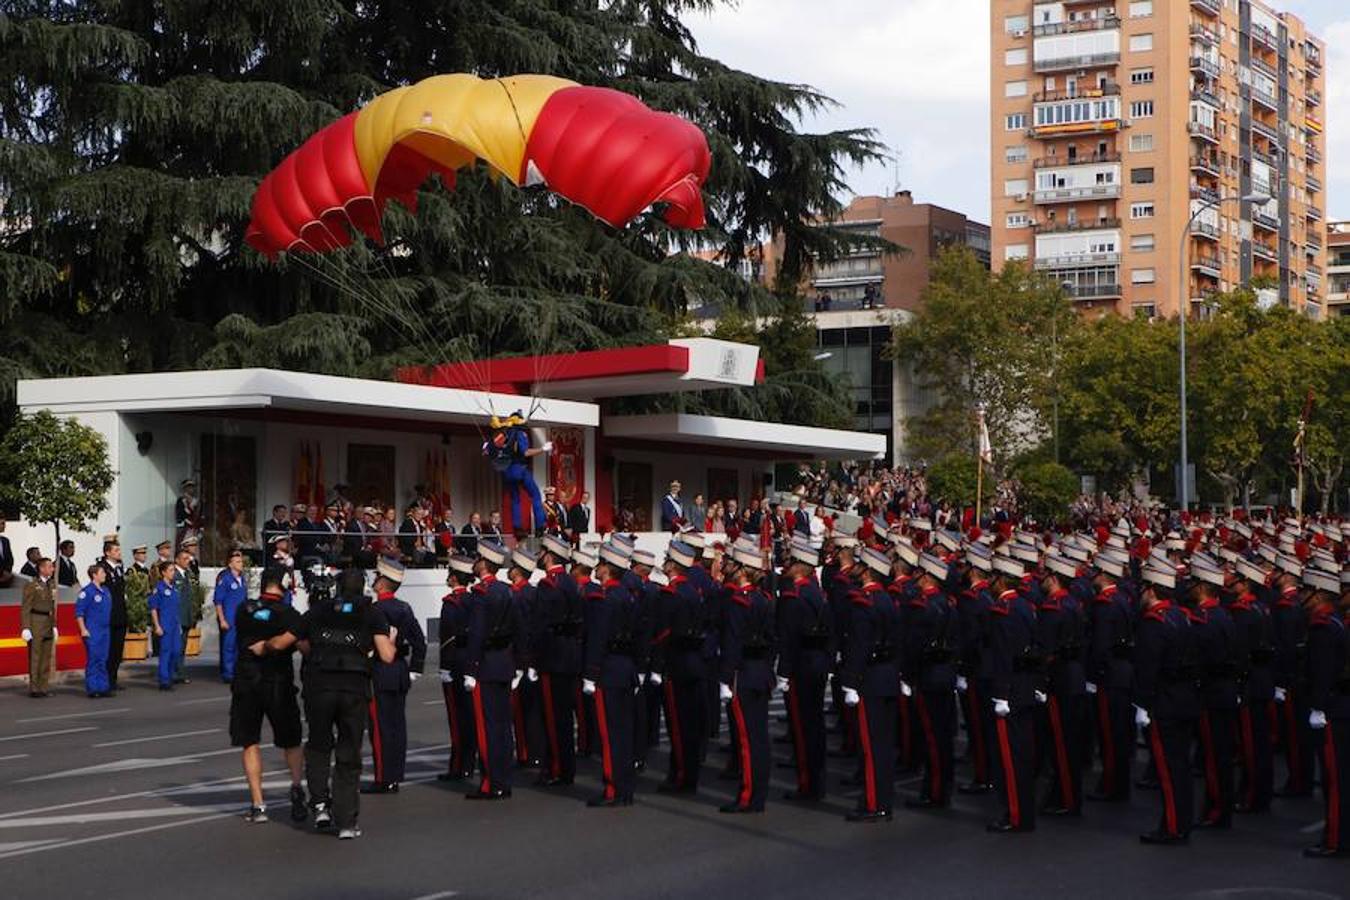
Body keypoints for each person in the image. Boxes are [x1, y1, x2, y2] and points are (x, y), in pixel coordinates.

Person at [270, 569, 396, 839]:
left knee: (318, 747)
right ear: (363, 589)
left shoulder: (318, 610)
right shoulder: (371, 613)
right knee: (349, 753)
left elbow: (286, 642)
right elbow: (386, 655)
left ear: (337, 588)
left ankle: (320, 806)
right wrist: (392, 640)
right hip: (354, 689)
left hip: (320, 687)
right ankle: (347, 821)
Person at [232, 573, 307, 825]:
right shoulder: (288, 615)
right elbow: (304, 644)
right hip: (277, 682)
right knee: (291, 740)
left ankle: (258, 803)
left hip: (247, 682)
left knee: (249, 741)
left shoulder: (245, 609)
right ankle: (297, 786)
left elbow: (247, 637)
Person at [1133, 565, 1200, 846]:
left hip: (1164, 701)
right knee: (1181, 766)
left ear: (1150, 590)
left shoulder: (1154, 623)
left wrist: (1142, 704)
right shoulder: (1182, 617)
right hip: (1185, 698)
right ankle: (1182, 821)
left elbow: (1148, 667)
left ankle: (1173, 826)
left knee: (1168, 770)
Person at [840, 546, 901, 823]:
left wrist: (850, 681)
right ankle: (884, 800)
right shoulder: (887, 600)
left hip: (871, 679)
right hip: (888, 676)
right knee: (885, 744)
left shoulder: (864, 602)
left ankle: (874, 803)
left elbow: (859, 644)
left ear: (866, 571)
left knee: (871, 745)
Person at [583, 544, 643, 807]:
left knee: (610, 733)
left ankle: (613, 789)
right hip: (626, 668)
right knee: (624, 732)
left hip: (608, 670)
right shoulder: (629, 597)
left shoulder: (606, 599)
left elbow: (598, 638)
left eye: (600, 564)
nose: (596, 568)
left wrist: (591, 673)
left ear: (608, 569)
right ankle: (625, 788)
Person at [464, 540, 522, 800]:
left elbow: (476, 634)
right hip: (505, 663)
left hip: (486, 665)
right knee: (503, 726)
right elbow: (521, 631)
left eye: (477, 558)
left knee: (487, 728)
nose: (474, 562)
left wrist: (471, 668)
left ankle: (491, 782)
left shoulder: (481, 593)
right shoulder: (508, 591)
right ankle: (505, 779)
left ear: (484, 563)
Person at [985, 557, 1040, 834]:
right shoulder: (1025, 606)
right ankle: (1023, 813)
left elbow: (1004, 656)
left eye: (993, 577)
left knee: (1011, 757)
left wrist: (1001, 694)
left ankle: (1016, 815)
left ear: (1002, 579)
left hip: (1012, 690)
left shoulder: (1003, 611)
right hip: (1026, 686)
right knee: (1023, 754)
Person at [364, 558, 426, 794]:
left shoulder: (374, 610)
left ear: (383, 583)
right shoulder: (404, 608)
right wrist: (415, 669)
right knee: (397, 726)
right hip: (399, 669)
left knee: (380, 728)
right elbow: (419, 642)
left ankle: (384, 778)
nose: (373, 580)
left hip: (379, 670)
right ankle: (395, 774)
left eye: (376, 577)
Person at [776, 538, 832, 802]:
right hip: (818, 661)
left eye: (790, 561)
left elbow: (788, 637)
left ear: (800, 567)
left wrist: (784, 672)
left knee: (803, 725)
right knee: (815, 723)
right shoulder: (815, 592)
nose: (785, 565)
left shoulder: (794, 596)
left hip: (801, 665)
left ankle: (808, 784)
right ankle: (817, 778)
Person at [652, 540, 709, 795]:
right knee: (690, 724)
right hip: (694, 662)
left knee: (678, 724)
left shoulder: (671, 593)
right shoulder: (691, 592)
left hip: (677, 663)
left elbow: (663, 633)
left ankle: (682, 776)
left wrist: (655, 660)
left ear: (672, 564)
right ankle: (689, 773)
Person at [1302, 570, 1349, 858]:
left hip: (1334, 707)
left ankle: (1334, 839)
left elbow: (1322, 672)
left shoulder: (1324, 628)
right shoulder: (1337, 624)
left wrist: (1318, 706)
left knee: (1335, 778)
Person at [533, 534, 583, 787]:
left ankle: (557, 769)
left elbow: (541, 626)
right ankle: (567, 767)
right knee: (565, 716)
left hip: (552, 657)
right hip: (570, 655)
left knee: (553, 717)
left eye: (542, 552)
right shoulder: (571, 583)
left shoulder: (548, 585)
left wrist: (533, 659)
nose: (539, 556)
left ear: (549, 555)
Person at [437, 555, 479, 782]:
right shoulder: (474, 600)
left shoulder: (451, 603)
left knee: (457, 717)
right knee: (471, 716)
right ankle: (470, 762)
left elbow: (446, 637)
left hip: (454, 662)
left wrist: (444, 667)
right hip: (471, 661)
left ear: (453, 578)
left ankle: (459, 766)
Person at [20, 557, 58, 697]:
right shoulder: (32, 584)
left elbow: (52, 607)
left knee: (46, 657)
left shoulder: (51, 584)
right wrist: (25, 627)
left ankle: (44, 687)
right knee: (35, 656)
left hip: (48, 621)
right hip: (36, 621)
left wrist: (54, 625)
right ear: (41, 569)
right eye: (49, 567)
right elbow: (26, 607)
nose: (52, 569)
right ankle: (34, 688)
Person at [75, 564, 113, 698]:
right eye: (102, 573)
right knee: (94, 659)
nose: (105, 575)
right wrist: (83, 629)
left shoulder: (106, 591)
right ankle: (93, 688)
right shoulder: (87, 592)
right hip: (92, 630)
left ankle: (103, 687)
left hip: (105, 630)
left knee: (103, 659)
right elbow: (79, 613)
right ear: (94, 575)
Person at [96, 537, 128, 692]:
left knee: (117, 650)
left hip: (120, 613)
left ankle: (113, 679)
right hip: (108, 614)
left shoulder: (119, 567)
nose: (119, 552)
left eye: (119, 549)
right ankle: (105, 680)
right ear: (107, 553)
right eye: (116, 550)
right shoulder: (102, 568)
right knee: (108, 650)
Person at [214, 550, 249, 684]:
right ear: (230, 564)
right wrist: (222, 619)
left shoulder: (242, 579)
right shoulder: (225, 579)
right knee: (229, 646)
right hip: (229, 617)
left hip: (240, 618)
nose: (241, 564)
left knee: (239, 646)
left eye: (241, 561)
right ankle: (228, 674)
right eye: (238, 562)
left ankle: (237, 671)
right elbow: (218, 601)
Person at [149, 561, 184, 691]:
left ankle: (170, 676)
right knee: (165, 652)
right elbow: (153, 608)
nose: (173, 573)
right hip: (165, 624)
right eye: (170, 570)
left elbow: (176, 608)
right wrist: (157, 625)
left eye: (174, 570)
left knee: (176, 651)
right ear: (163, 572)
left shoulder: (174, 588)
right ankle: (164, 680)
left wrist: (179, 624)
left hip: (174, 624)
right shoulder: (159, 588)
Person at [172, 546, 196, 684]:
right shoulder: (174, 575)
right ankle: (174, 673)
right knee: (176, 647)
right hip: (178, 617)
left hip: (186, 616)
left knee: (182, 647)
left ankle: (180, 673)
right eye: (185, 559)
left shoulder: (186, 574)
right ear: (177, 560)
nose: (188, 561)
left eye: (188, 558)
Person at [175, 478, 202, 549]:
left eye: (192, 487)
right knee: (183, 546)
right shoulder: (181, 500)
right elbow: (180, 514)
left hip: (195, 528)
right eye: (188, 487)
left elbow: (200, 514)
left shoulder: (197, 501)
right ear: (185, 488)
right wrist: (187, 522)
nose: (191, 489)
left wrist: (200, 526)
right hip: (185, 528)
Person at [0, 519, 13, 588]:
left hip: (5, 580)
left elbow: (10, 558)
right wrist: (2, 572)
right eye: (2, 523)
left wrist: (7, 572)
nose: (4, 526)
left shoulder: (5, 540)